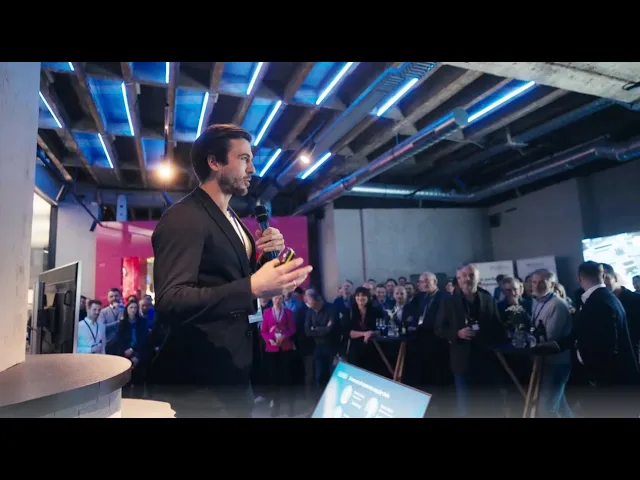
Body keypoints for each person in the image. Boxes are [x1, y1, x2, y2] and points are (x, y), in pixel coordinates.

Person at [149, 124, 312, 418]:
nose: (252, 169)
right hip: (201, 385)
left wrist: (270, 267)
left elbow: (232, 281)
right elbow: (170, 300)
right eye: (244, 159)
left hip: (235, 372)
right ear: (214, 162)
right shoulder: (184, 217)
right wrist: (253, 286)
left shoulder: (233, 219)